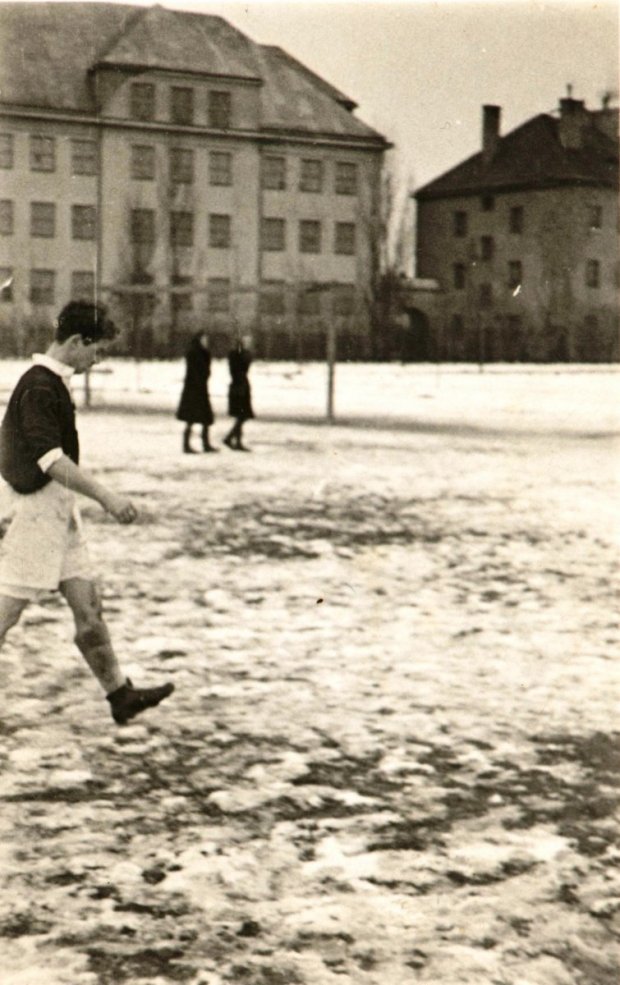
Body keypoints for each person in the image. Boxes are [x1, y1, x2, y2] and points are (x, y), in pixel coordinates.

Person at [0, 301, 174, 726]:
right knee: (4, 615)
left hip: (57, 512)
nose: (98, 361)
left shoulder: (51, 381)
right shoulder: (39, 385)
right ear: (78, 342)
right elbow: (50, 460)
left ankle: (120, 694)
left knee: (89, 612)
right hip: (32, 515)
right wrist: (106, 496)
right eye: (97, 351)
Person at [176, 331, 216, 454]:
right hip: (193, 390)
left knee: (205, 419)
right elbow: (196, 371)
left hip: (200, 389)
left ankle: (205, 444)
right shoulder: (194, 353)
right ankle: (187, 445)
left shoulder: (202, 353)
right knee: (192, 418)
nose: (206, 342)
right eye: (204, 339)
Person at [223, 334, 254, 451]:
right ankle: (231, 438)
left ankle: (234, 440)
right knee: (242, 416)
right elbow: (240, 369)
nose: (249, 344)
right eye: (247, 342)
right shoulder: (237, 355)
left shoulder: (238, 355)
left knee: (242, 416)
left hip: (240, 387)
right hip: (239, 388)